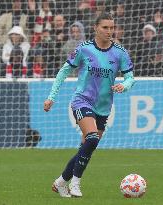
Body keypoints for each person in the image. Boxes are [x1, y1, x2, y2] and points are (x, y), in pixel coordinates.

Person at [43, 12, 135, 198]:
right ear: (95, 28)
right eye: (105, 27)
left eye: (111, 27)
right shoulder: (84, 49)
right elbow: (64, 71)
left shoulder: (120, 52)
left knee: (86, 147)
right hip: (82, 100)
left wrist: (123, 85)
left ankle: (61, 182)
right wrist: (51, 96)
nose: (109, 31)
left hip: (103, 107)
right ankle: (75, 184)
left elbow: (130, 78)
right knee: (92, 138)